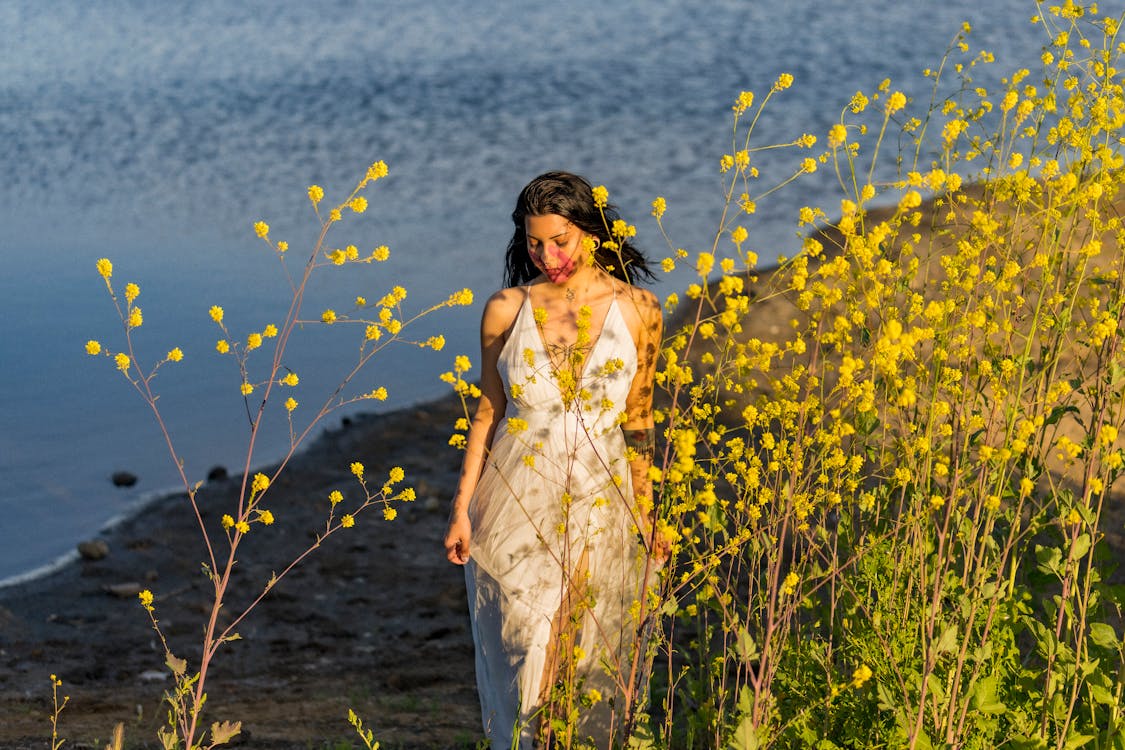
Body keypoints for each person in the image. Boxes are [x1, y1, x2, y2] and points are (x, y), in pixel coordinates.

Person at [443, 171, 665, 748]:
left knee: (588, 655)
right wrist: (461, 508)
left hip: (603, 497)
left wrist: (650, 512)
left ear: (590, 231)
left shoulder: (640, 309)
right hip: (517, 499)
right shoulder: (505, 309)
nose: (547, 256)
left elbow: (639, 420)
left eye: (560, 240)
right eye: (534, 242)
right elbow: (488, 413)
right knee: (526, 655)